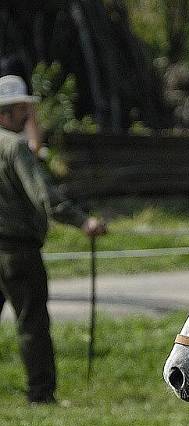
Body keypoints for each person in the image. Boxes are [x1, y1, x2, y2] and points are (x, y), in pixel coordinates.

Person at [0, 75, 106, 404]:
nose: (29, 115)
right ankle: (41, 395)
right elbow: (44, 196)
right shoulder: (15, 147)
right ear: (10, 110)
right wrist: (82, 220)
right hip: (17, 249)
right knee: (32, 322)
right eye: (23, 109)